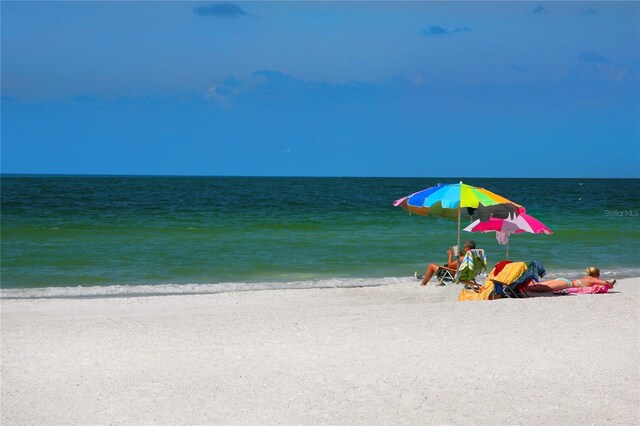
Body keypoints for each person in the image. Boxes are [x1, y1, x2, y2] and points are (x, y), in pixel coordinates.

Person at [525, 266, 616, 292]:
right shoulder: (592, 279)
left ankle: (525, 285)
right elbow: (604, 282)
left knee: (542, 284)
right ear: (596, 274)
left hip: (563, 279)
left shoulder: (586, 277)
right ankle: (528, 288)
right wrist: (610, 284)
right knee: (546, 288)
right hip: (567, 283)